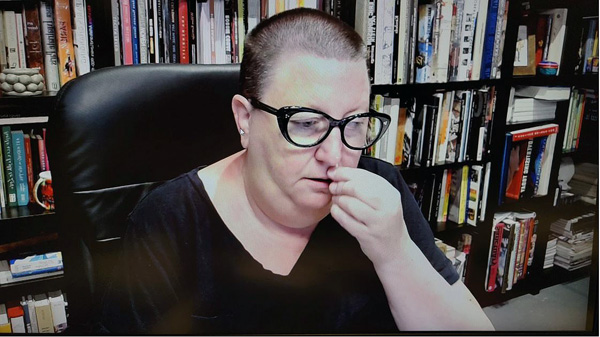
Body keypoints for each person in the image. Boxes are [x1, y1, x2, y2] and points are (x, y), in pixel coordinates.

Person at [98, 8, 494, 334]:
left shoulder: (381, 189)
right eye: (306, 123)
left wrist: (395, 252)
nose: (335, 155)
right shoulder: (170, 221)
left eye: (354, 123)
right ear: (245, 120)